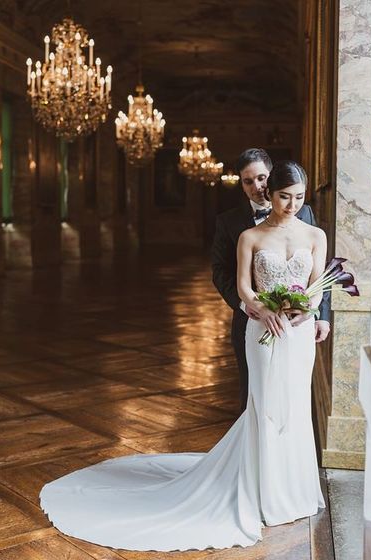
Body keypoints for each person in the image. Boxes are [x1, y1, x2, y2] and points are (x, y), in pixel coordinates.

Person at [39, 161, 326, 552]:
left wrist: (303, 311)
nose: (291, 205)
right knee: (264, 405)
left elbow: (317, 288)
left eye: (298, 198)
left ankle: (294, 491)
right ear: (268, 194)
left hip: (299, 334)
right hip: (263, 328)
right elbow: (242, 286)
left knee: (294, 406)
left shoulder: (316, 234)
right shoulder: (249, 237)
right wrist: (265, 309)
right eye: (283, 197)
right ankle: (263, 493)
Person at [212, 148, 330, 411]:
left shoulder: (307, 217)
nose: (257, 186)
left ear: (271, 177)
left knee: (295, 399)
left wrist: (319, 313)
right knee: (255, 398)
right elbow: (221, 273)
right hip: (253, 321)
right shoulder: (232, 225)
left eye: (262, 178)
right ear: (241, 183)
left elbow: (316, 274)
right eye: (248, 181)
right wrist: (254, 307)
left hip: (300, 325)